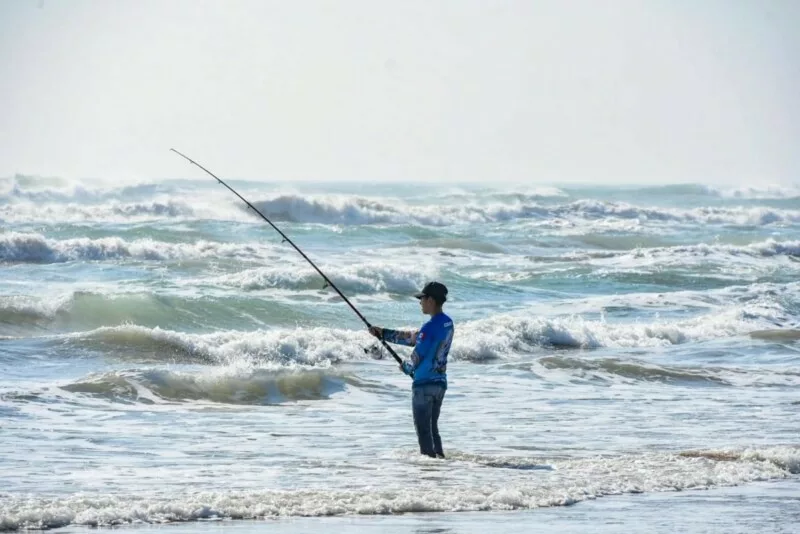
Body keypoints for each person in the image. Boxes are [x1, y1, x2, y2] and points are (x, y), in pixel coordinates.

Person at [368, 281, 454, 458]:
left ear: (431, 300)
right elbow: (412, 338)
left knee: (423, 431)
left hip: (423, 385)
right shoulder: (447, 323)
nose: (420, 302)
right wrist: (383, 333)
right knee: (433, 429)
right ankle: (441, 463)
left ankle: (429, 467)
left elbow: (418, 353)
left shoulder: (429, 327)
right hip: (439, 384)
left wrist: (406, 367)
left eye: (422, 298)